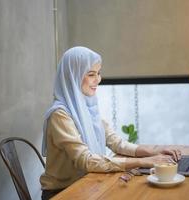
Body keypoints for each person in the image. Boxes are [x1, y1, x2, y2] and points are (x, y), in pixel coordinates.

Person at [40, 46, 181, 200]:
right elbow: (85, 160)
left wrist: (155, 152)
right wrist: (142, 162)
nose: (98, 80)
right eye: (91, 74)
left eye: (98, 73)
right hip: (62, 193)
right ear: (73, 77)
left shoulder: (87, 107)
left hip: (87, 185)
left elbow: (116, 143)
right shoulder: (59, 115)